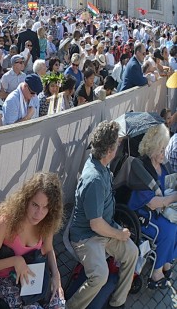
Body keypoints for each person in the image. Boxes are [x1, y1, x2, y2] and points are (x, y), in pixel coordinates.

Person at [67, 121, 138, 309]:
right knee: (100, 276)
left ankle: (117, 303)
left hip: (103, 230)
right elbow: (95, 225)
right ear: (110, 150)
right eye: (117, 144)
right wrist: (119, 234)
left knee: (132, 252)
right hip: (87, 236)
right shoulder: (95, 179)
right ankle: (71, 306)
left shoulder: (102, 163)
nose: (119, 147)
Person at [0, 173, 66, 309]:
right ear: (25, 200)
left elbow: (48, 249)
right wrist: (15, 261)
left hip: (33, 278)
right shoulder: (6, 223)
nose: (39, 213)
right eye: (35, 205)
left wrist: (56, 276)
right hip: (5, 279)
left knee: (58, 304)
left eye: (45, 207)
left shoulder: (46, 222)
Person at [126, 125, 177, 289]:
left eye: (165, 149)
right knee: (169, 230)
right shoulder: (142, 169)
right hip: (142, 213)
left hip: (157, 211)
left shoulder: (161, 165)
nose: (164, 154)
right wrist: (174, 197)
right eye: (161, 150)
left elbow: (164, 188)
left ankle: (166, 261)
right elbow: (152, 202)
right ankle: (156, 273)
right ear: (153, 150)